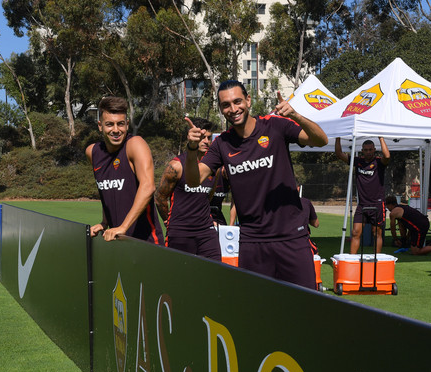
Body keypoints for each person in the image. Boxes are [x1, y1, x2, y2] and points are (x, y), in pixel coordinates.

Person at [184, 80, 328, 290]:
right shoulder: (222, 144)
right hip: (253, 243)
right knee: (258, 312)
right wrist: (191, 148)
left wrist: (295, 115)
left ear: (248, 101)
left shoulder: (275, 125)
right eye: (226, 105)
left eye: (237, 101)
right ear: (221, 109)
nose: (233, 109)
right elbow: (193, 179)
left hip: (292, 238)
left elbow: (321, 140)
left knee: (304, 309)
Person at [86, 96, 163, 243]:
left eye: (120, 124)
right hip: (118, 240)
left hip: (146, 242)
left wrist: (123, 226)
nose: (116, 130)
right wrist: (104, 222)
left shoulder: (135, 144)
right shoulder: (92, 152)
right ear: (100, 126)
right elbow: (106, 191)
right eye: (109, 124)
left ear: (127, 125)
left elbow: (148, 186)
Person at [154, 118, 221, 260]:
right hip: (180, 232)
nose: (206, 142)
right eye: (202, 137)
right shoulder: (176, 166)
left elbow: (208, 197)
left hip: (206, 232)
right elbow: (160, 197)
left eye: (209, 138)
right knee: (179, 278)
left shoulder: (213, 167)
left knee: (215, 274)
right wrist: (168, 221)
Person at [335, 137, 390, 254]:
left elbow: (387, 156)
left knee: (377, 233)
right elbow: (339, 154)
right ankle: (352, 261)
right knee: (355, 232)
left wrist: (381, 138)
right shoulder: (358, 161)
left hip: (377, 204)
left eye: (370, 149)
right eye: (366, 150)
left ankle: (377, 260)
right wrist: (338, 137)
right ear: (362, 150)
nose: (368, 152)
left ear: (374, 150)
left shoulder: (379, 162)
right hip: (362, 204)